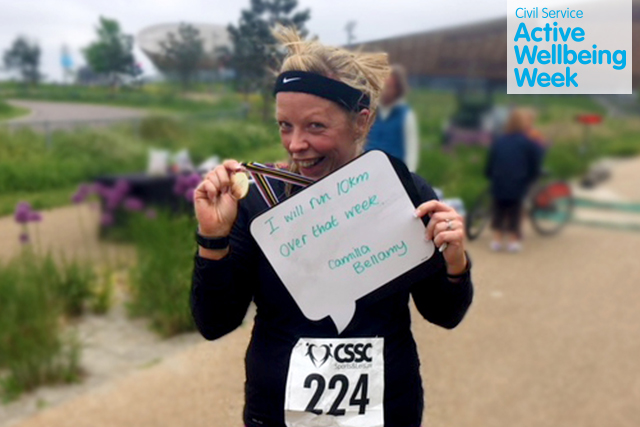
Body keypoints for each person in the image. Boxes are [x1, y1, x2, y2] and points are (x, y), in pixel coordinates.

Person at [190, 26, 473, 427]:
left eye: (316, 126)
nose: (295, 144)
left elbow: (445, 313)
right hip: (277, 411)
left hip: (387, 409)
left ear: (361, 121)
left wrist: (456, 263)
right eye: (285, 125)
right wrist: (212, 238)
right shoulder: (255, 201)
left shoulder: (400, 194)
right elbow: (214, 322)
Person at [485, 107, 545, 253]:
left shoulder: (500, 141)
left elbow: (491, 162)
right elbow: (534, 164)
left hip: (499, 182)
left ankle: (497, 240)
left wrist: (491, 175)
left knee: (499, 210)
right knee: (515, 211)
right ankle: (513, 241)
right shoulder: (528, 142)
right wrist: (530, 178)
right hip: (518, 183)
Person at [364, 64, 420, 172]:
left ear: (397, 89)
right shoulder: (370, 112)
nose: (384, 91)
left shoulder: (405, 115)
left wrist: (408, 175)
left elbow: (411, 150)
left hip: (394, 172)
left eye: (388, 87)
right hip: (369, 171)